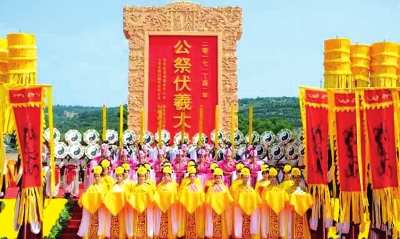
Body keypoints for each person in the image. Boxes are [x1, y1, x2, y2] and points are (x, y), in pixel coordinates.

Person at [77, 165, 106, 238]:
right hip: (91, 210)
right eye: (95, 176)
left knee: (99, 223)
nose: (97, 178)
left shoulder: (103, 186)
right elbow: (86, 195)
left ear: (101, 177)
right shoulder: (91, 186)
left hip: (99, 209)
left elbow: (105, 197)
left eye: (98, 176)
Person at [204, 167, 234, 239]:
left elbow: (228, 198)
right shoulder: (211, 187)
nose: (218, 179)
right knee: (214, 222)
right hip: (213, 209)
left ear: (222, 178)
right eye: (216, 178)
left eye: (219, 178)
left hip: (222, 209)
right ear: (214, 178)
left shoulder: (224, 187)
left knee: (222, 222)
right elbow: (208, 197)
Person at [260, 167, 289, 239]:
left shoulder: (280, 188)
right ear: (269, 178)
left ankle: (279, 234)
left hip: (278, 211)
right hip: (268, 210)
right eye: (271, 177)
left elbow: (284, 197)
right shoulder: (266, 188)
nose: (272, 179)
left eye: (274, 177)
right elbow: (263, 200)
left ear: (276, 178)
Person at [232, 167, 261, 238]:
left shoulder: (251, 188)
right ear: (241, 178)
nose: (245, 179)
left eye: (246, 177)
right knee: (241, 224)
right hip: (241, 210)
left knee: (249, 224)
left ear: (248, 178)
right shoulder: (238, 188)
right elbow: (235, 200)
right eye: (244, 177)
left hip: (249, 210)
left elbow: (255, 198)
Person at [127, 166, 155, 239]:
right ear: (137, 177)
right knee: (136, 224)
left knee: (146, 224)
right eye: (140, 176)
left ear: (145, 177)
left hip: (146, 209)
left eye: (143, 176)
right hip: (136, 210)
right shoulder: (134, 187)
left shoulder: (148, 187)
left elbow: (151, 198)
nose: (141, 178)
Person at [177, 166, 205, 239]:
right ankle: (188, 235)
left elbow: (202, 195)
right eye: (191, 176)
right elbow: (182, 195)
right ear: (189, 178)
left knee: (196, 221)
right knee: (188, 221)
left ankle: (195, 234)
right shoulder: (186, 186)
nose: (192, 178)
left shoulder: (198, 186)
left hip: (196, 208)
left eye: (193, 176)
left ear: (195, 177)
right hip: (188, 206)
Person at [153, 166, 179, 239]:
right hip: (161, 206)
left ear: (170, 176)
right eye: (164, 175)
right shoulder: (160, 185)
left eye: (168, 175)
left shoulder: (174, 185)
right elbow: (156, 194)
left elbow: (175, 195)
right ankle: (161, 234)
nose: (166, 177)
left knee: (170, 220)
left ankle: (170, 234)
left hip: (170, 207)